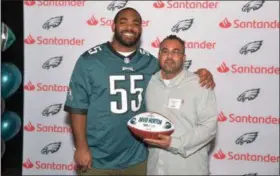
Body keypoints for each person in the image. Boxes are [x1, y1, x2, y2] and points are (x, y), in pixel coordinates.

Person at [64, 7, 215, 176]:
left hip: (138, 158)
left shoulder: (149, 62)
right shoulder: (90, 61)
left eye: (135, 23)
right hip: (98, 157)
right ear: (113, 26)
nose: (130, 27)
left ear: (141, 30)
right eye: (124, 22)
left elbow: (174, 72)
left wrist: (200, 74)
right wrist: (81, 147)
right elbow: (77, 107)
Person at [144, 34, 218, 175]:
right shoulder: (150, 82)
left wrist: (174, 143)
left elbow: (209, 127)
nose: (170, 56)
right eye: (165, 51)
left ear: (184, 58)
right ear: (159, 55)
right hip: (155, 167)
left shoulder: (200, 84)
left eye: (176, 52)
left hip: (188, 168)